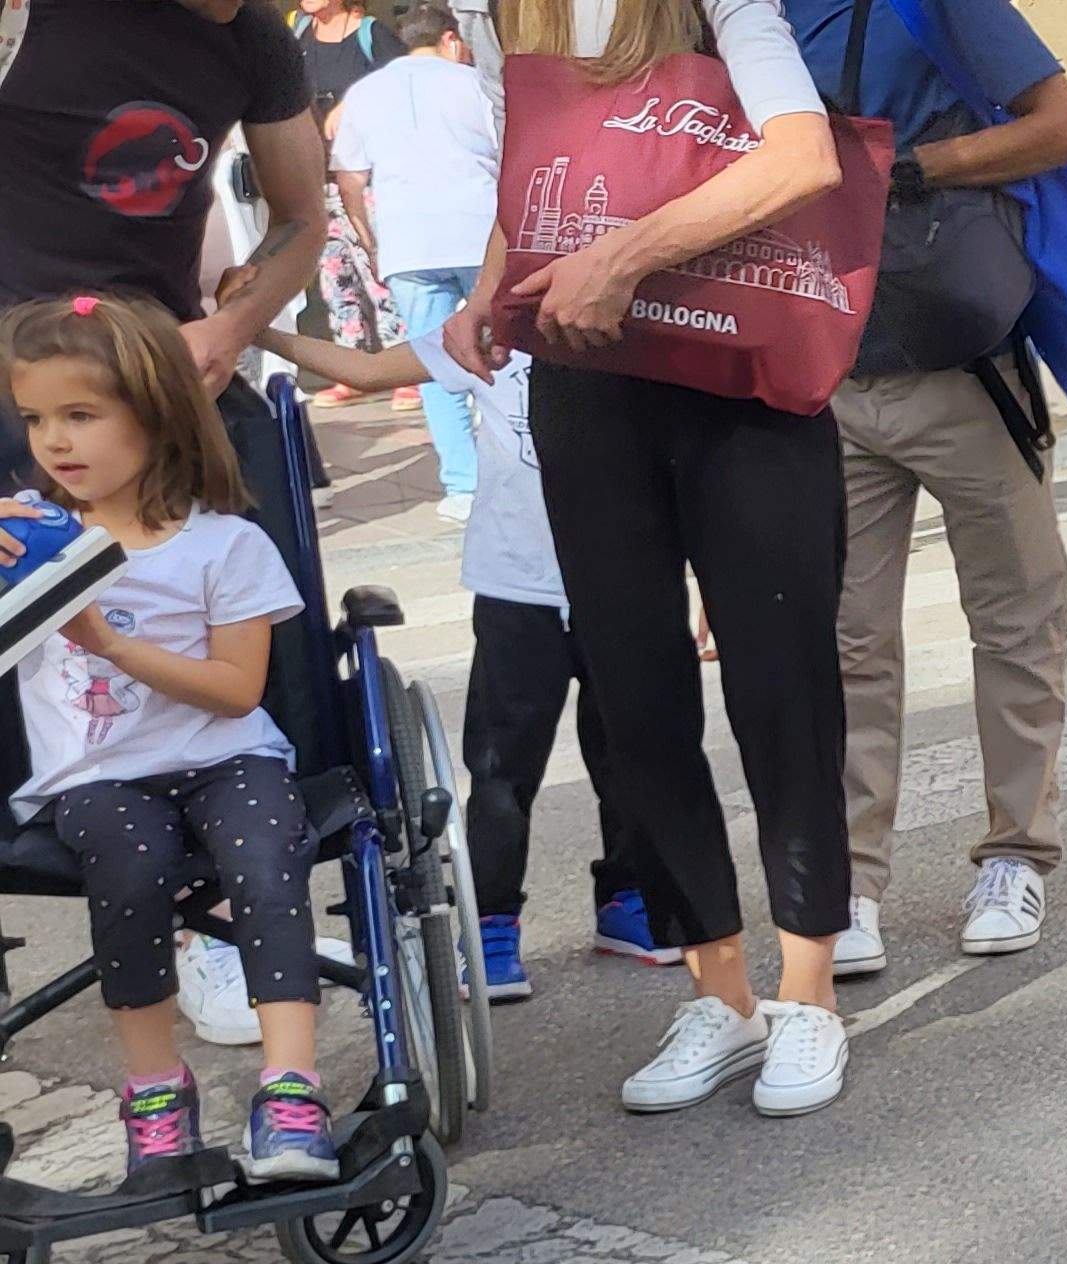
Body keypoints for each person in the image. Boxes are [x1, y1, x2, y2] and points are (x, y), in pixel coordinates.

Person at [448, 0, 857, 1118]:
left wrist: (622, 255)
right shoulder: (498, 13)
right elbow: (538, 173)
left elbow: (803, 155)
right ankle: (718, 993)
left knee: (782, 684)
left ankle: (809, 994)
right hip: (588, 375)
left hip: (740, 372)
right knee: (632, 691)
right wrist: (496, 281)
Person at [781, 0, 1067, 979]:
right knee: (844, 643)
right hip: (827, 368)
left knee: (1016, 620)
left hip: (964, 362)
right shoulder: (746, 20)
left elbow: (1063, 127)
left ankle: (1014, 854)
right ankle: (853, 885)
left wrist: (915, 168)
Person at [1, 294, 335, 1185]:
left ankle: (291, 1085)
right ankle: (154, 1088)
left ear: (151, 417)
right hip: (98, 774)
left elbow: (236, 694)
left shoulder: (223, 547)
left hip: (229, 754)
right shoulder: (28, 542)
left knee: (267, 851)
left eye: (80, 415)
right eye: (35, 419)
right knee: (128, 860)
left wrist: (111, 644)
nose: (53, 442)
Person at [253, 309, 659, 1004]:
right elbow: (368, 369)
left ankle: (628, 899)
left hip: (625, 584)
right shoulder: (492, 328)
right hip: (515, 588)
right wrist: (255, 328)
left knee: (634, 759)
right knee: (501, 770)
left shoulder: (643, 331)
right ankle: (493, 922)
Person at [0, 0, 331, 558]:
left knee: (248, 566)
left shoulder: (255, 35)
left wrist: (229, 330)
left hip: (155, 367)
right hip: (17, 374)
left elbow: (301, 218)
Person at [330, 5, 497, 521]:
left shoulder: (365, 93)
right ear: (451, 39)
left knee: (431, 363)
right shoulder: (475, 84)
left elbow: (349, 179)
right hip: (480, 234)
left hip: (408, 242)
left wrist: (370, 241)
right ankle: (518, 467)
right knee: (506, 354)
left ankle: (463, 487)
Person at [296, 0, 405, 389]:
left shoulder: (370, 34)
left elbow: (401, 81)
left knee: (378, 272)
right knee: (335, 278)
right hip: (318, 178)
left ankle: (401, 367)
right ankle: (352, 368)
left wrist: (350, 105)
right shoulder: (297, 35)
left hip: (366, 178)